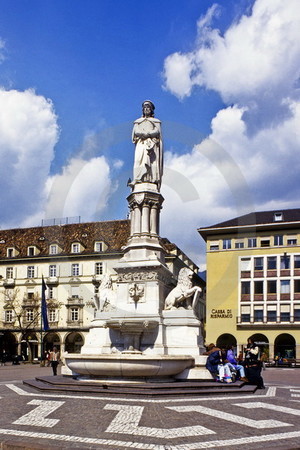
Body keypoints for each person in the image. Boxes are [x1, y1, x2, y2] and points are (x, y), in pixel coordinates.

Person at [131, 100, 163, 190]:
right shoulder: (138, 122)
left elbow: (157, 132)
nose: (146, 109)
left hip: (151, 145)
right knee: (138, 160)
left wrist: (148, 134)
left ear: (151, 110)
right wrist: (142, 134)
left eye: (148, 107)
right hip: (141, 143)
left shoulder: (156, 122)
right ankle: (138, 179)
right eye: (144, 108)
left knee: (150, 161)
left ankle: (150, 179)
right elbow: (135, 132)